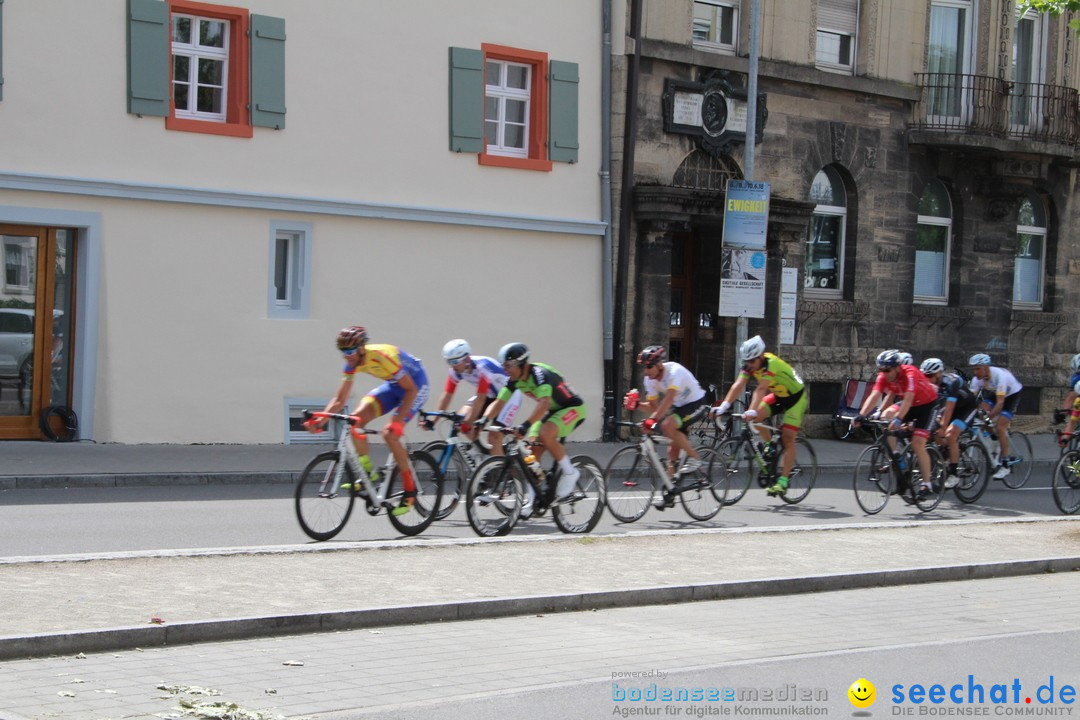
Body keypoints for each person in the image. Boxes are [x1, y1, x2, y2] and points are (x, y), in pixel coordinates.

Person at [308, 326, 429, 516]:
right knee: (355, 421)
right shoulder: (351, 363)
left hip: (415, 387)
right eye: (343, 352)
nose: (346, 356)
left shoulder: (381, 356)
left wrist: (397, 423)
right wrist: (321, 421)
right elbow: (340, 399)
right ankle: (368, 474)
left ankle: (410, 490)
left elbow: (411, 389)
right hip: (393, 386)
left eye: (350, 351)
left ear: (362, 348)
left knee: (390, 434)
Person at [479, 342, 586, 512]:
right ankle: (532, 500)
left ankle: (570, 472)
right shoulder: (515, 380)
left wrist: (525, 425)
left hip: (572, 408)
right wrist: (483, 420)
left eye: (509, 365)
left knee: (546, 433)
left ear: (521, 363)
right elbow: (499, 402)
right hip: (552, 411)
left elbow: (543, 403)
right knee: (531, 457)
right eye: (504, 366)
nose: (506, 369)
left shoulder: (539, 374)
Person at [714, 335, 808, 498]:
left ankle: (784, 481)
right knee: (756, 419)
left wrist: (751, 410)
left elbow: (760, 390)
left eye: (752, 361)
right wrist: (724, 405)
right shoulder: (750, 365)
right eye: (747, 362)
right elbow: (738, 384)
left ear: (760, 357)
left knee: (787, 438)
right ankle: (770, 443)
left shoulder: (771, 364)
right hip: (779, 396)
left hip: (796, 398)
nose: (749, 365)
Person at [623, 345, 709, 507]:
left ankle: (695, 458)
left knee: (669, 426)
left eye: (649, 367)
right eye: (644, 367)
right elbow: (655, 408)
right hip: (680, 408)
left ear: (659, 365)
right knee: (672, 451)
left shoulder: (674, 372)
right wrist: (637, 405)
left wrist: (652, 420)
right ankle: (669, 495)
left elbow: (668, 399)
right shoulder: (649, 380)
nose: (646, 371)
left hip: (696, 403)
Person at [856, 350, 940, 500]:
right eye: (882, 370)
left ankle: (927, 483)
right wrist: (861, 415)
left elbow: (908, 400)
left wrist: (899, 419)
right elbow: (874, 395)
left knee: (918, 443)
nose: (885, 373)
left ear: (897, 367)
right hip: (911, 405)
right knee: (885, 416)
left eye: (887, 370)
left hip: (927, 406)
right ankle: (897, 457)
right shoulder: (884, 376)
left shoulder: (910, 373)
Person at [421, 339, 507, 454]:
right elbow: (447, 395)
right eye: (449, 362)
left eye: (455, 362)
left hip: (507, 397)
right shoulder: (455, 371)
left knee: (494, 437)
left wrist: (469, 422)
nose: (452, 366)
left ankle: (503, 469)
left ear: (466, 359)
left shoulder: (483, 367)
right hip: (489, 395)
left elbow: (480, 399)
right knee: (460, 421)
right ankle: (485, 452)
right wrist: (433, 421)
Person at [920, 357, 979, 489]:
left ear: (939, 374)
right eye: (924, 375)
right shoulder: (929, 384)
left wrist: (943, 427)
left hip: (966, 408)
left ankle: (953, 474)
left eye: (929, 375)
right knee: (932, 429)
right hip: (948, 408)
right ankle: (948, 453)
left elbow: (950, 408)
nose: (927, 379)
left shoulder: (950, 382)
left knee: (950, 434)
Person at [968, 353, 1024, 480]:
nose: (975, 372)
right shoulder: (977, 379)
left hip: (1012, 395)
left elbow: (1000, 403)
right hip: (996, 393)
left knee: (1000, 426)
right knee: (981, 413)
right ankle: (994, 439)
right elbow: (971, 400)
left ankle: (1005, 465)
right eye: (973, 369)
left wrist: (988, 417)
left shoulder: (1000, 376)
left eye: (978, 368)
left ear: (986, 367)